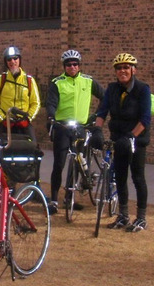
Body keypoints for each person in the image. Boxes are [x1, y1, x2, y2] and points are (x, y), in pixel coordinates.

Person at [95, 53, 151, 232]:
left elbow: (145, 119)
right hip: (118, 139)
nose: (122, 71)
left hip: (136, 140)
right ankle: (123, 215)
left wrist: (131, 137)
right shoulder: (112, 89)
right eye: (119, 68)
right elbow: (102, 112)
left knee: (138, 178)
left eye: (126, 67)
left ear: (133, 70)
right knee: (119, 177)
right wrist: (97, 130)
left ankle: (141, 218)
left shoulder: (142, 89)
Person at [45, 49, 105, 214]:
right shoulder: (57, 82)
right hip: (63, 127)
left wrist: (96, 116)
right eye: (69, 64)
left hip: (81, 127)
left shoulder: (88, 81)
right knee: (59, 163)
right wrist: (51, 116)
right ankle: (54, 200)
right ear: (64, 66)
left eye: (75, 64)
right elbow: (50, 103)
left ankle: (69, 198)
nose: (72, 67)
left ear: (79, 66)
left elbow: (105, 98)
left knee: (78, 163)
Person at [0, 46, 40, 142]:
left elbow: (35, 103)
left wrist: (28, 118)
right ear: (6, 62)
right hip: (6, 124)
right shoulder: (0, 79)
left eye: (15, 58)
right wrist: (2, 119)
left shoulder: (29, 80)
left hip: (23, 122)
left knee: (32, 149)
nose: (12, 62)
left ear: (20, 60)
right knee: (6, 152)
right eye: (9, 59)